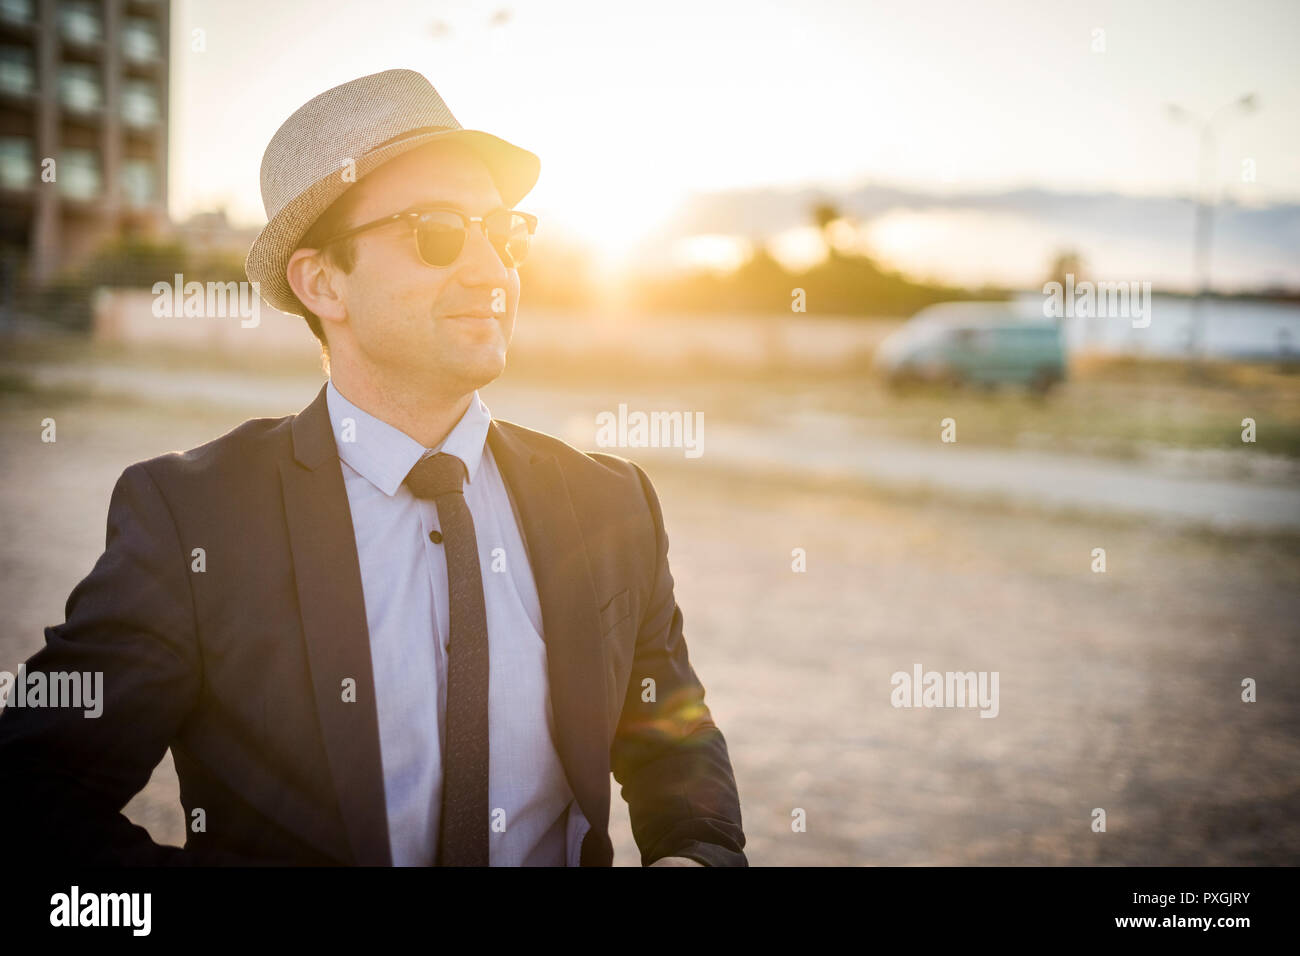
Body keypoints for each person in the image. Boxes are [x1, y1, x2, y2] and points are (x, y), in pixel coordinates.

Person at [0, 68, 746, 867]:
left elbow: (674, 735)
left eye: (503, 232)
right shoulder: (195, 517)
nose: (493, 271)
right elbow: (31, 792)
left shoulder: (609, 501)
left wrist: (694, 853)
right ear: (322, 282)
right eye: (438, 231)